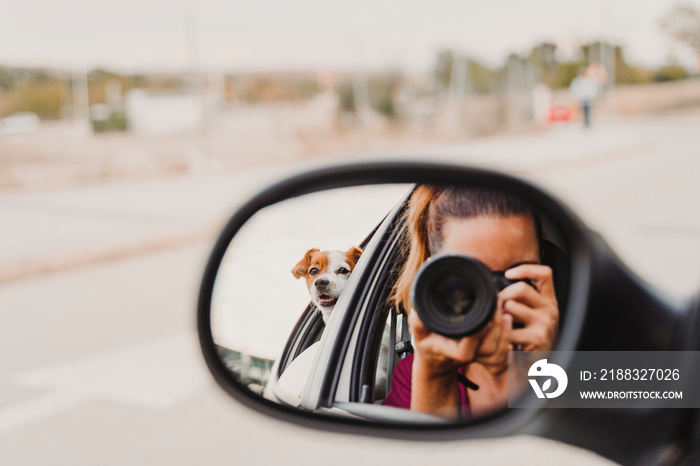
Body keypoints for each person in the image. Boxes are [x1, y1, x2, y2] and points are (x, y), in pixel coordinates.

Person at [382, 185, 560, 419]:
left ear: (542, 267)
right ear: (435, 279)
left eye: (515, 277)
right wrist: (435, 377)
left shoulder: (587, 358)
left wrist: (545, 370)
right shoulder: (415, 374)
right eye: (469, 281)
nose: (494, 298)